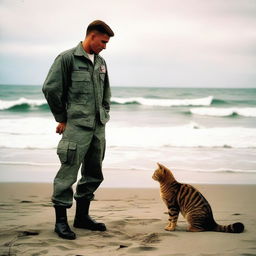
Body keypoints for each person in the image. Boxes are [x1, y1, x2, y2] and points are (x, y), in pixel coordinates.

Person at [42, 20, 114, 240]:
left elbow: (106, 93)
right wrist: (62, 118)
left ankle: (82, 217)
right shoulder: (66, 59)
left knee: (93, 174)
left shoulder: (101, 62)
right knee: (67, 174)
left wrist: (104, 113)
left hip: (97, 129)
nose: (105, 46)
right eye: (103, 41)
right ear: (92, 36)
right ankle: (61, 222)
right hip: (76, 127)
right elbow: (51, 89)